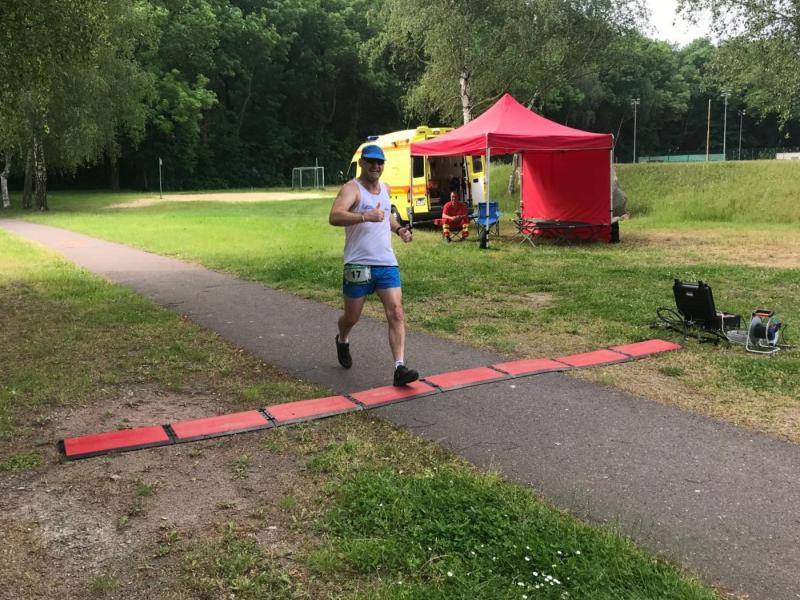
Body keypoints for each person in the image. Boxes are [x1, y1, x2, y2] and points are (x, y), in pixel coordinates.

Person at [329, 144, 419, 386]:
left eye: (380, 163)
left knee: (396, 312)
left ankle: (399, 368)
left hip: (386, 263)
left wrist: (399, 230)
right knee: (352, 317)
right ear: (362, 163)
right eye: (371, 162)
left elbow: (386, 215)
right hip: (358, 264)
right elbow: (334, 216)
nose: (376, 166)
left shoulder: (385, 189)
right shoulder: (352, 189)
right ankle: (342, 338)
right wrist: (364, 216)